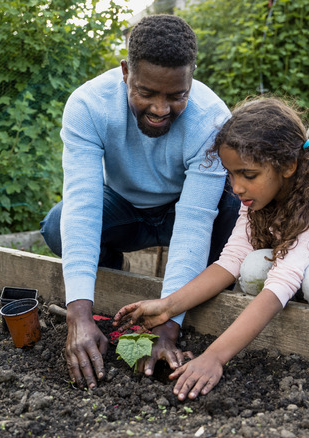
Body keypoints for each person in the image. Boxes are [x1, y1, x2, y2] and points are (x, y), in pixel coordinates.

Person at [113, 96, 309, 401]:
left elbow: (283, 280)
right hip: (308, 269)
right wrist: (167, 306)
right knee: (252, 266)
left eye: (248, 175)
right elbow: (230, 261)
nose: (237, 187)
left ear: (287, 166)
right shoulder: (255, 200)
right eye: (231, 173)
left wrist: (214, 357)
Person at [39, 14, 240, 389]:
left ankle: (208, 300)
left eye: (176, 96)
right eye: (146, 93)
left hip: (182, 209)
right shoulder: (89, 105)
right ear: (125, 72)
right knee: (57, 225)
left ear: (191, 80)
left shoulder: (211, 120)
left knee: (233, 202)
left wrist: (167, 327)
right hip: (126, 208)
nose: (160, 109)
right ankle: (110, 281)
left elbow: (194, 223)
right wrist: (78, 315)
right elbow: (83, 204)